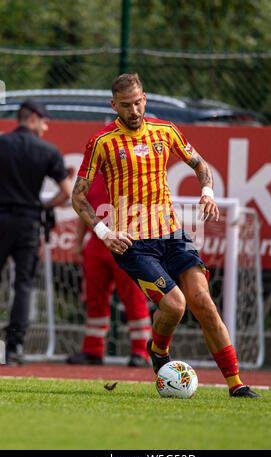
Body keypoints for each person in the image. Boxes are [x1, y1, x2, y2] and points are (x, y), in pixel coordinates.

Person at [72, 73, 261, 398]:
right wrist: (105, 233)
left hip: (173, 235)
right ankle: (158, 350)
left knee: (203, 302)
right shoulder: (102, 142)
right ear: (113, 104)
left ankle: (236, 384)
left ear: (144, 99)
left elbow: (201, 165)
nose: (134, 110)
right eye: (126, 105)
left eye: (138, 102)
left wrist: (207, 192)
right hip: (134, 243)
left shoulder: (166, 131)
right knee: (175, 307)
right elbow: (78, 196)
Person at [0, 99, 72, 365]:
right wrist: (43, 205)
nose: (46, 126)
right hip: (29, 221)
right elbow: (66, 191)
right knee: (23, 285)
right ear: (32, 119)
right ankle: (14, 348)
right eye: (43, 121)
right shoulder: (47, 150)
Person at [67, 172, 151, 366]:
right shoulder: (91, 179)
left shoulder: (133, 175)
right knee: (94, 299)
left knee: (134, 298)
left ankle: (141, 351)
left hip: (128, 244)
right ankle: (93, 350)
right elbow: (83, 210)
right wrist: (78, 243)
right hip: (96, 246)